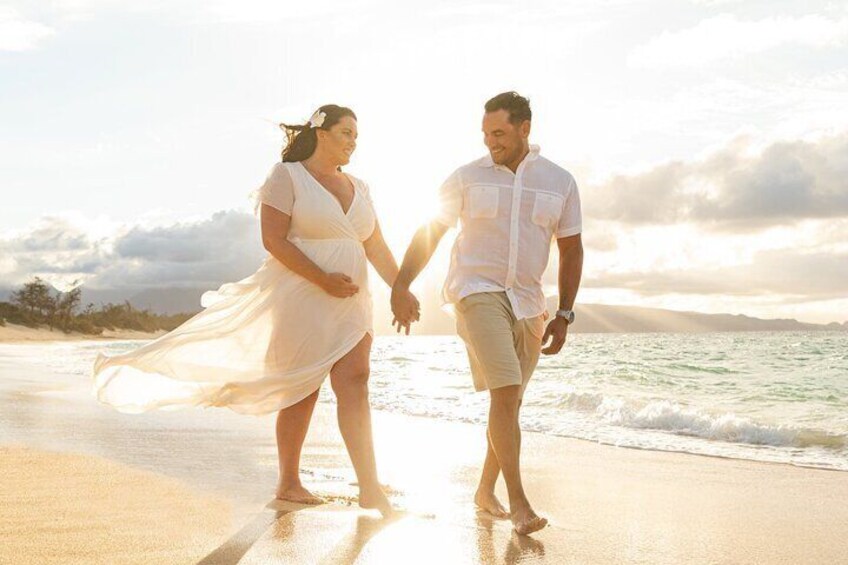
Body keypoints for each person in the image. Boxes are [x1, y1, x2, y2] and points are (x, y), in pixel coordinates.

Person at [94, 104, 410, 516]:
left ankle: (370, 486)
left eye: (356, 135)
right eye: (346, 132)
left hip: (352, 301)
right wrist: (322, 279)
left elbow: (376, 246)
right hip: (301, 295)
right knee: (302, 388)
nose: (354, 141)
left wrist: (401, 288)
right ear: (321, 132)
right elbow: (274, 240)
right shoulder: (287, 176)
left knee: (357, 379)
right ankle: (289, 482)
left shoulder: (360, 187)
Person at [390, 92, 583, 535]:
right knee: (506, 388)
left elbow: (571, 248)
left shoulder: (560, 181)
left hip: (530, 302)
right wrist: (402, 283)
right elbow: (431, 232)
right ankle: (519, 505)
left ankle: (484, 490)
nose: (490, 142)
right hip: (475, 291)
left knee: (509, 401)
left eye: (499, 133)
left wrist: (565, 313)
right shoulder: (466, 178)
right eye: (485, 134)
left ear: (525, 128)